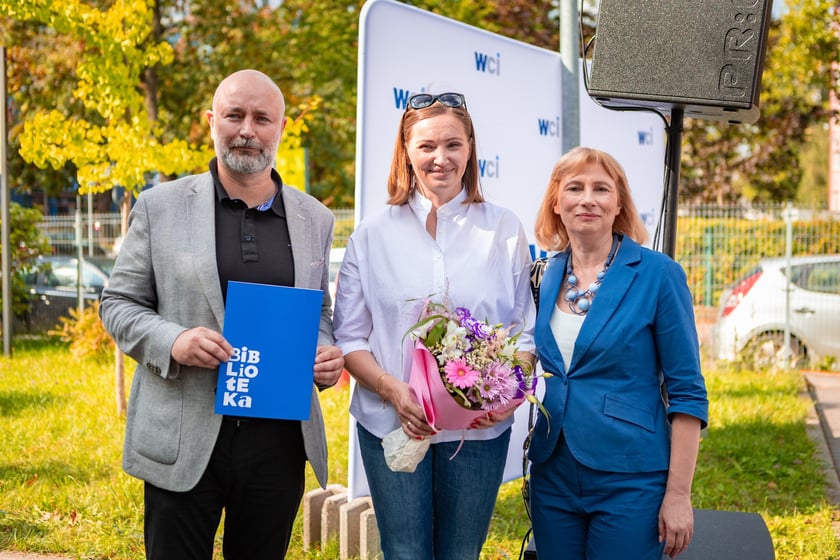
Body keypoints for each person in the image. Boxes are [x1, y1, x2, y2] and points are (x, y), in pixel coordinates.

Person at [99, 69, 344, 560]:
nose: (247, 130)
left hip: (278, 441)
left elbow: (319, 309)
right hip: (184, 434)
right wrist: (173, 340)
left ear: (281, 128)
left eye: (262, 118)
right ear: (212, 121)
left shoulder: (314, 217)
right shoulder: (160, 207)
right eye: (234, 115)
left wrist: (323, 351)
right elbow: (118, 303)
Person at [333, 91, 536, 559]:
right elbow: (349, 336)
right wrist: (391, 390)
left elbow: (524, 328)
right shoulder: (372, 234)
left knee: (461, 553)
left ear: (470, 149)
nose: (440, 158)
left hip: (478, 430)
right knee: (405, 551)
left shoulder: (503, 229)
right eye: (426, 146)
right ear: (406, 151)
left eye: (453, 145)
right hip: (390, 420)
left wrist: (509, 392)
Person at [528, 146, 709, 560]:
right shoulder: (544, 274)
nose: (587, 199)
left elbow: (687, 392)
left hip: (631, 476)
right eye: (574, 188)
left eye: (601, 189)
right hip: (553, 473)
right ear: (556, 202)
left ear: (619, 204)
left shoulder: (658, 274)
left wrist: (678, 494)